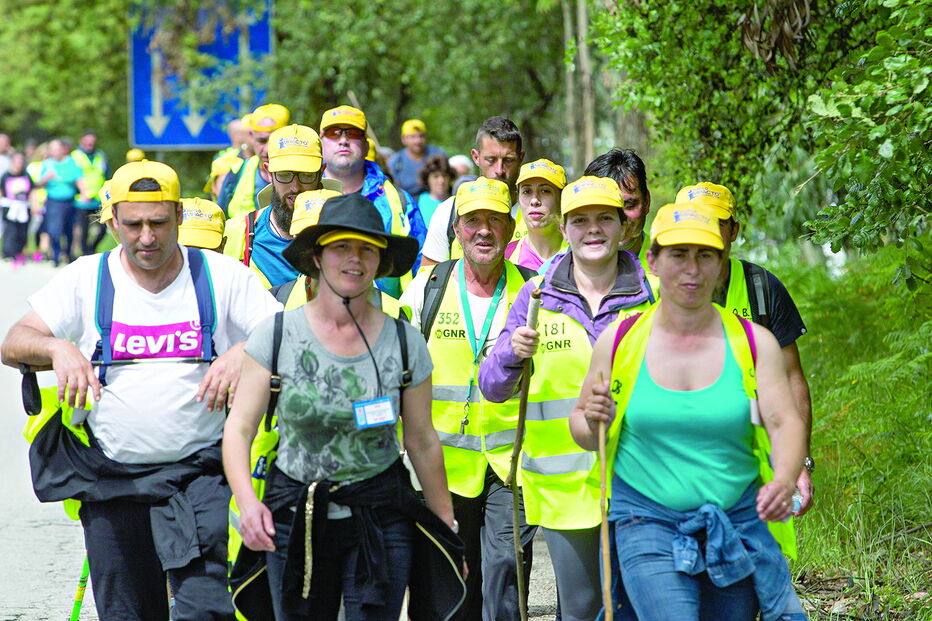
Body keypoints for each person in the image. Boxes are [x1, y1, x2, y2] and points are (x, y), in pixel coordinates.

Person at [1, 159, 281, 620]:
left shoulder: (221, 275)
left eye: (158, 223)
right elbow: (14, 343)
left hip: (203, 476)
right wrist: (57, 349)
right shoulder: (86, 277)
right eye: (133, 225)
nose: (146, 238)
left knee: (208, 610)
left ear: (180, 217)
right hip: (112, 480)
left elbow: (288, 332)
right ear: (112, 222)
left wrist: (243, 352)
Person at [223, 193, 464, 620]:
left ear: (380, 261)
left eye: (367, 249)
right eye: (341, 247)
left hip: (381, 517)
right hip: (293, 516)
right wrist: (247, 503)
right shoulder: (275, 336)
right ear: (317, 257)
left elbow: (423, 440)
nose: (354, 259)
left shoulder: (406, 343)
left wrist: (446, 525)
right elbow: (239, 429)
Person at [569, 202, 808, 621]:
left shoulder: (754, 344)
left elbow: (784, 421)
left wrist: (785, 479)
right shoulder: (619, 339)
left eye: (705, 255)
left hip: (735, 521)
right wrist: (590, 420)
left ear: (721, 263)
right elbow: (585, 432)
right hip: (645, 518)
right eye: (679, 254)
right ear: (653, 261)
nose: (692, 269)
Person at [479, 175, 655, 621]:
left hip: (645, 482)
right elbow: (493, 387)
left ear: (623, 225)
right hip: (564, 489)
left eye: (604, 218)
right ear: (564, 227)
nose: (592, 229)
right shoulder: (537, 293)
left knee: (642, 605)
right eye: (580, 220)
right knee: (581, 610)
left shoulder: (654, 294)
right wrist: (510, 354)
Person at [399, 177, 537, 621]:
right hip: (441, 467)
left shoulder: (534, 292)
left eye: (494, 221)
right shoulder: (427, 288)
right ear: (456, 229)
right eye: (473, 220)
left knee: (504, 578)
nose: (484, 231)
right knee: (450, 588)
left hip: (509, 464)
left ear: (510, 228)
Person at [676, 181, 815, 514]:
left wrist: (800, 461)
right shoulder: (657, 291)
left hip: (755, 467)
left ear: (734, 230)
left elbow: (793, 381)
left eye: (716, 224)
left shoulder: (762, 290)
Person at [319, 105, 425, 298]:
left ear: (366, 144)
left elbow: (422, 267)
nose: (343, 140)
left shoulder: (399, 200)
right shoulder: (303, 193)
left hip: (387, 319)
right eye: (334, 133)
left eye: (352, 133)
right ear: (321, 141)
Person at [223, 124, 331, 288]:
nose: (295, 187)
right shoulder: (236, 232)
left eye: (306, 175)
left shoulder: (343, 233)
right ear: (268, 172)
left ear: (321, 172)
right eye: (284, 175)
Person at [421, 116, 526, 267]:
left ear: (521, 158)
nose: (499, 170)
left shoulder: (535, 212)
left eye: (508, 160)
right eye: (491, 160)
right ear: (476, 157)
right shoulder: (449, 211)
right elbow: (429, 281)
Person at [218, 103, 290, 218]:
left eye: (275, 142)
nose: (267, 150)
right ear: (251, 135)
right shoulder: (237, 172)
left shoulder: (307, 172)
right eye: (261, 141)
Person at [583, 148, 651, 262]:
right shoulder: (558, 269)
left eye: (629, 206)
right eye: (606, 209)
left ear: (647, 202)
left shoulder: (670, 260)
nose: (619, 219)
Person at [506, 159, 567, 272]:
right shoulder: (505, 256)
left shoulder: (579, 254)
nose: (534, 201)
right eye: (527, 191)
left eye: (545, 191)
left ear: (562, 198)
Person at [36, 138, 84, 266]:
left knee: (69, 229)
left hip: (69, 201)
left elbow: (79, 179)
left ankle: (68, 254)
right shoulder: (47, 164)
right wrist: (47, 178)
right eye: (53, 150)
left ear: (63, 149)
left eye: (58, 149)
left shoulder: (71, 163)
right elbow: (38, 184)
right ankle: (56, 255)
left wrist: (84, 193)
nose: (56, 152)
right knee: (54, 230)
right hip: (53, 202)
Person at [72, 131, 109, 256]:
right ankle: (85, 253)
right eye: (87, 141)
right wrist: (81, 192)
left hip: (98, 199)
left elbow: (106, 174)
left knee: (104, 228)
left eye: (92, 141)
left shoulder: (100, 155)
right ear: (81, 141)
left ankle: (91, 249)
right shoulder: (75, 156)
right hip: (82, 199)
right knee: (84, 230)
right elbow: (72, 176)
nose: (90, 144)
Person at [388, 119, 447, 197]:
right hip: (408, 202)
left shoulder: (437, 154)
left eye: (421, 136)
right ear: (403, 139)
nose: (418, 141)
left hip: (436, 199)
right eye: (413, 137)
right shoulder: (396, 161)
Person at [1, 152, 34, 266]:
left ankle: (18, 252)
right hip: (9, 205)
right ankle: (8, 253)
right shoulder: (6, 175)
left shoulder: (26, 174)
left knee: (22, 231)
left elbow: (31, 190)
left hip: (23, 206)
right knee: (10, 230)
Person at [416, 153, 453, 226]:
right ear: (427, 179)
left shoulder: (455, 202)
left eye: (444, 176)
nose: (441, 181)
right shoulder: (417, 201)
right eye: (436, 176)